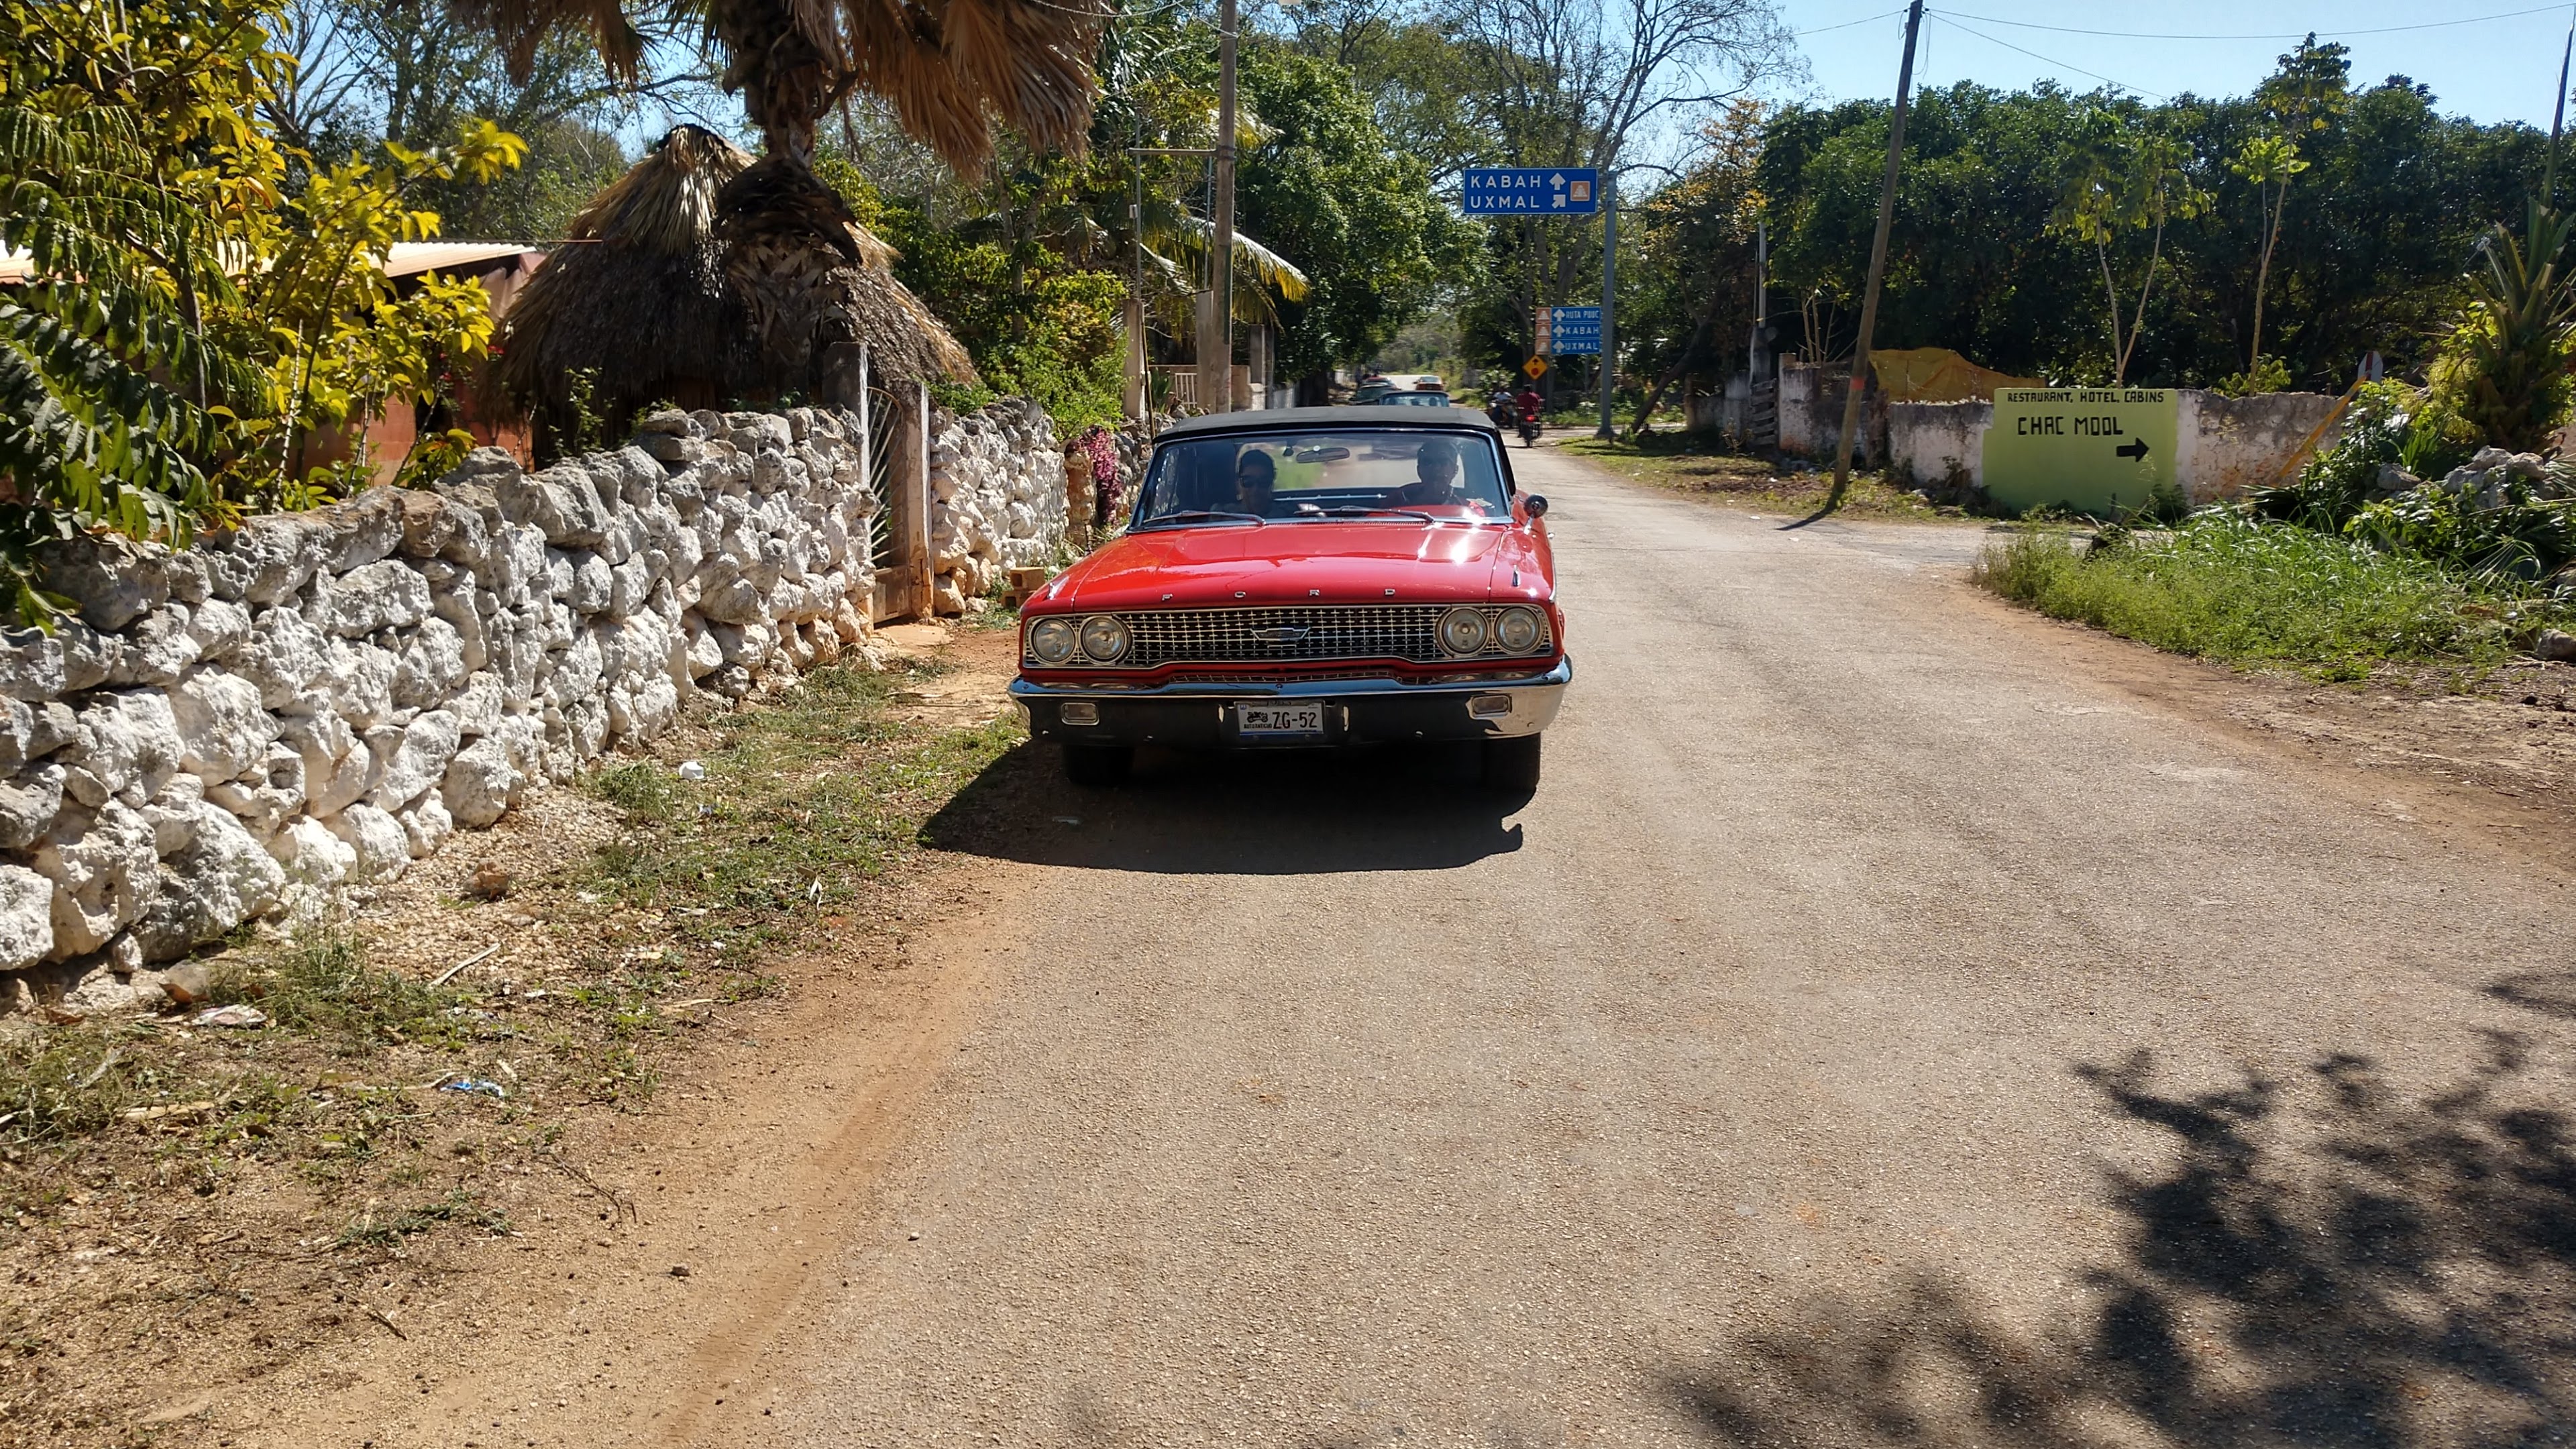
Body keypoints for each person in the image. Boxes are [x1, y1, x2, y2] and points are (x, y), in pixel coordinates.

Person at [1391, 437, 1464, 508]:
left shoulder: (1467, 509)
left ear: (1455, 470)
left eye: (1443, 463)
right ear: (1419, 470)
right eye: (1428, 463)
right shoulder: (1396, 502)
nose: (1436, 468)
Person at [1233, 447, 1279, 515]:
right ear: (1238, 484)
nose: (1255, 489)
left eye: (1263, 482)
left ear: (1272, 484)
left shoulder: (1288, 516)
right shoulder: (1223, 517)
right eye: (1248, 482)